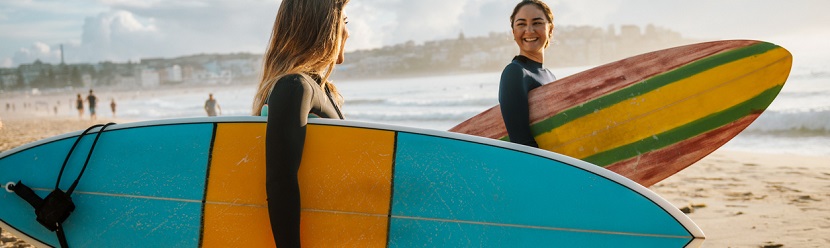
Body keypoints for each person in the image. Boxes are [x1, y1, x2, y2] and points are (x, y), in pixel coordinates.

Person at [250, 0, 349, 246]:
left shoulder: (314, 89)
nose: (348, 32)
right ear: (325, 28)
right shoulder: (295, 87)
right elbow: (280, 180)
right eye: (344, 22)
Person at [499, 0, 557, 148]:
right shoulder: (515, 73)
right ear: (514, 32)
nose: (529, 30)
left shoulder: (550, 76)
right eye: (521, 24)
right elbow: (521, 143)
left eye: (537, 23)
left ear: (550, 29)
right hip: (541, 167)